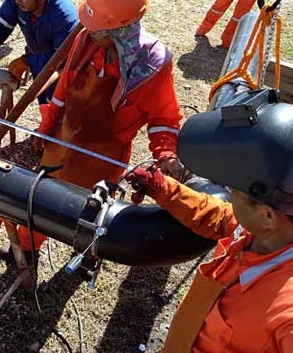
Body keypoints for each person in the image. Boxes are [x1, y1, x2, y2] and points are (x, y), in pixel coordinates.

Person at [19, 0, 183, 255]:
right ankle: (25, 248)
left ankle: (86, 258)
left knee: (91, 219)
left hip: (103, 160)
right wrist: (46, 129)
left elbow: (163, 118)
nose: (89, 30)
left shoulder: (152, 67)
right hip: (62, 144)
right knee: (41, 203)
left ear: (120, 31)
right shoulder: (86, 40)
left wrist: (166, 155)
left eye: (97, 29)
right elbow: (63, 92)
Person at [126, 90, 293, 352]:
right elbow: (216, 215)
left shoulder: (286, 315)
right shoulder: (264, 233)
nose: (228, 194)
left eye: (234, 190)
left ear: (267, 215)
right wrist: (162, 188)